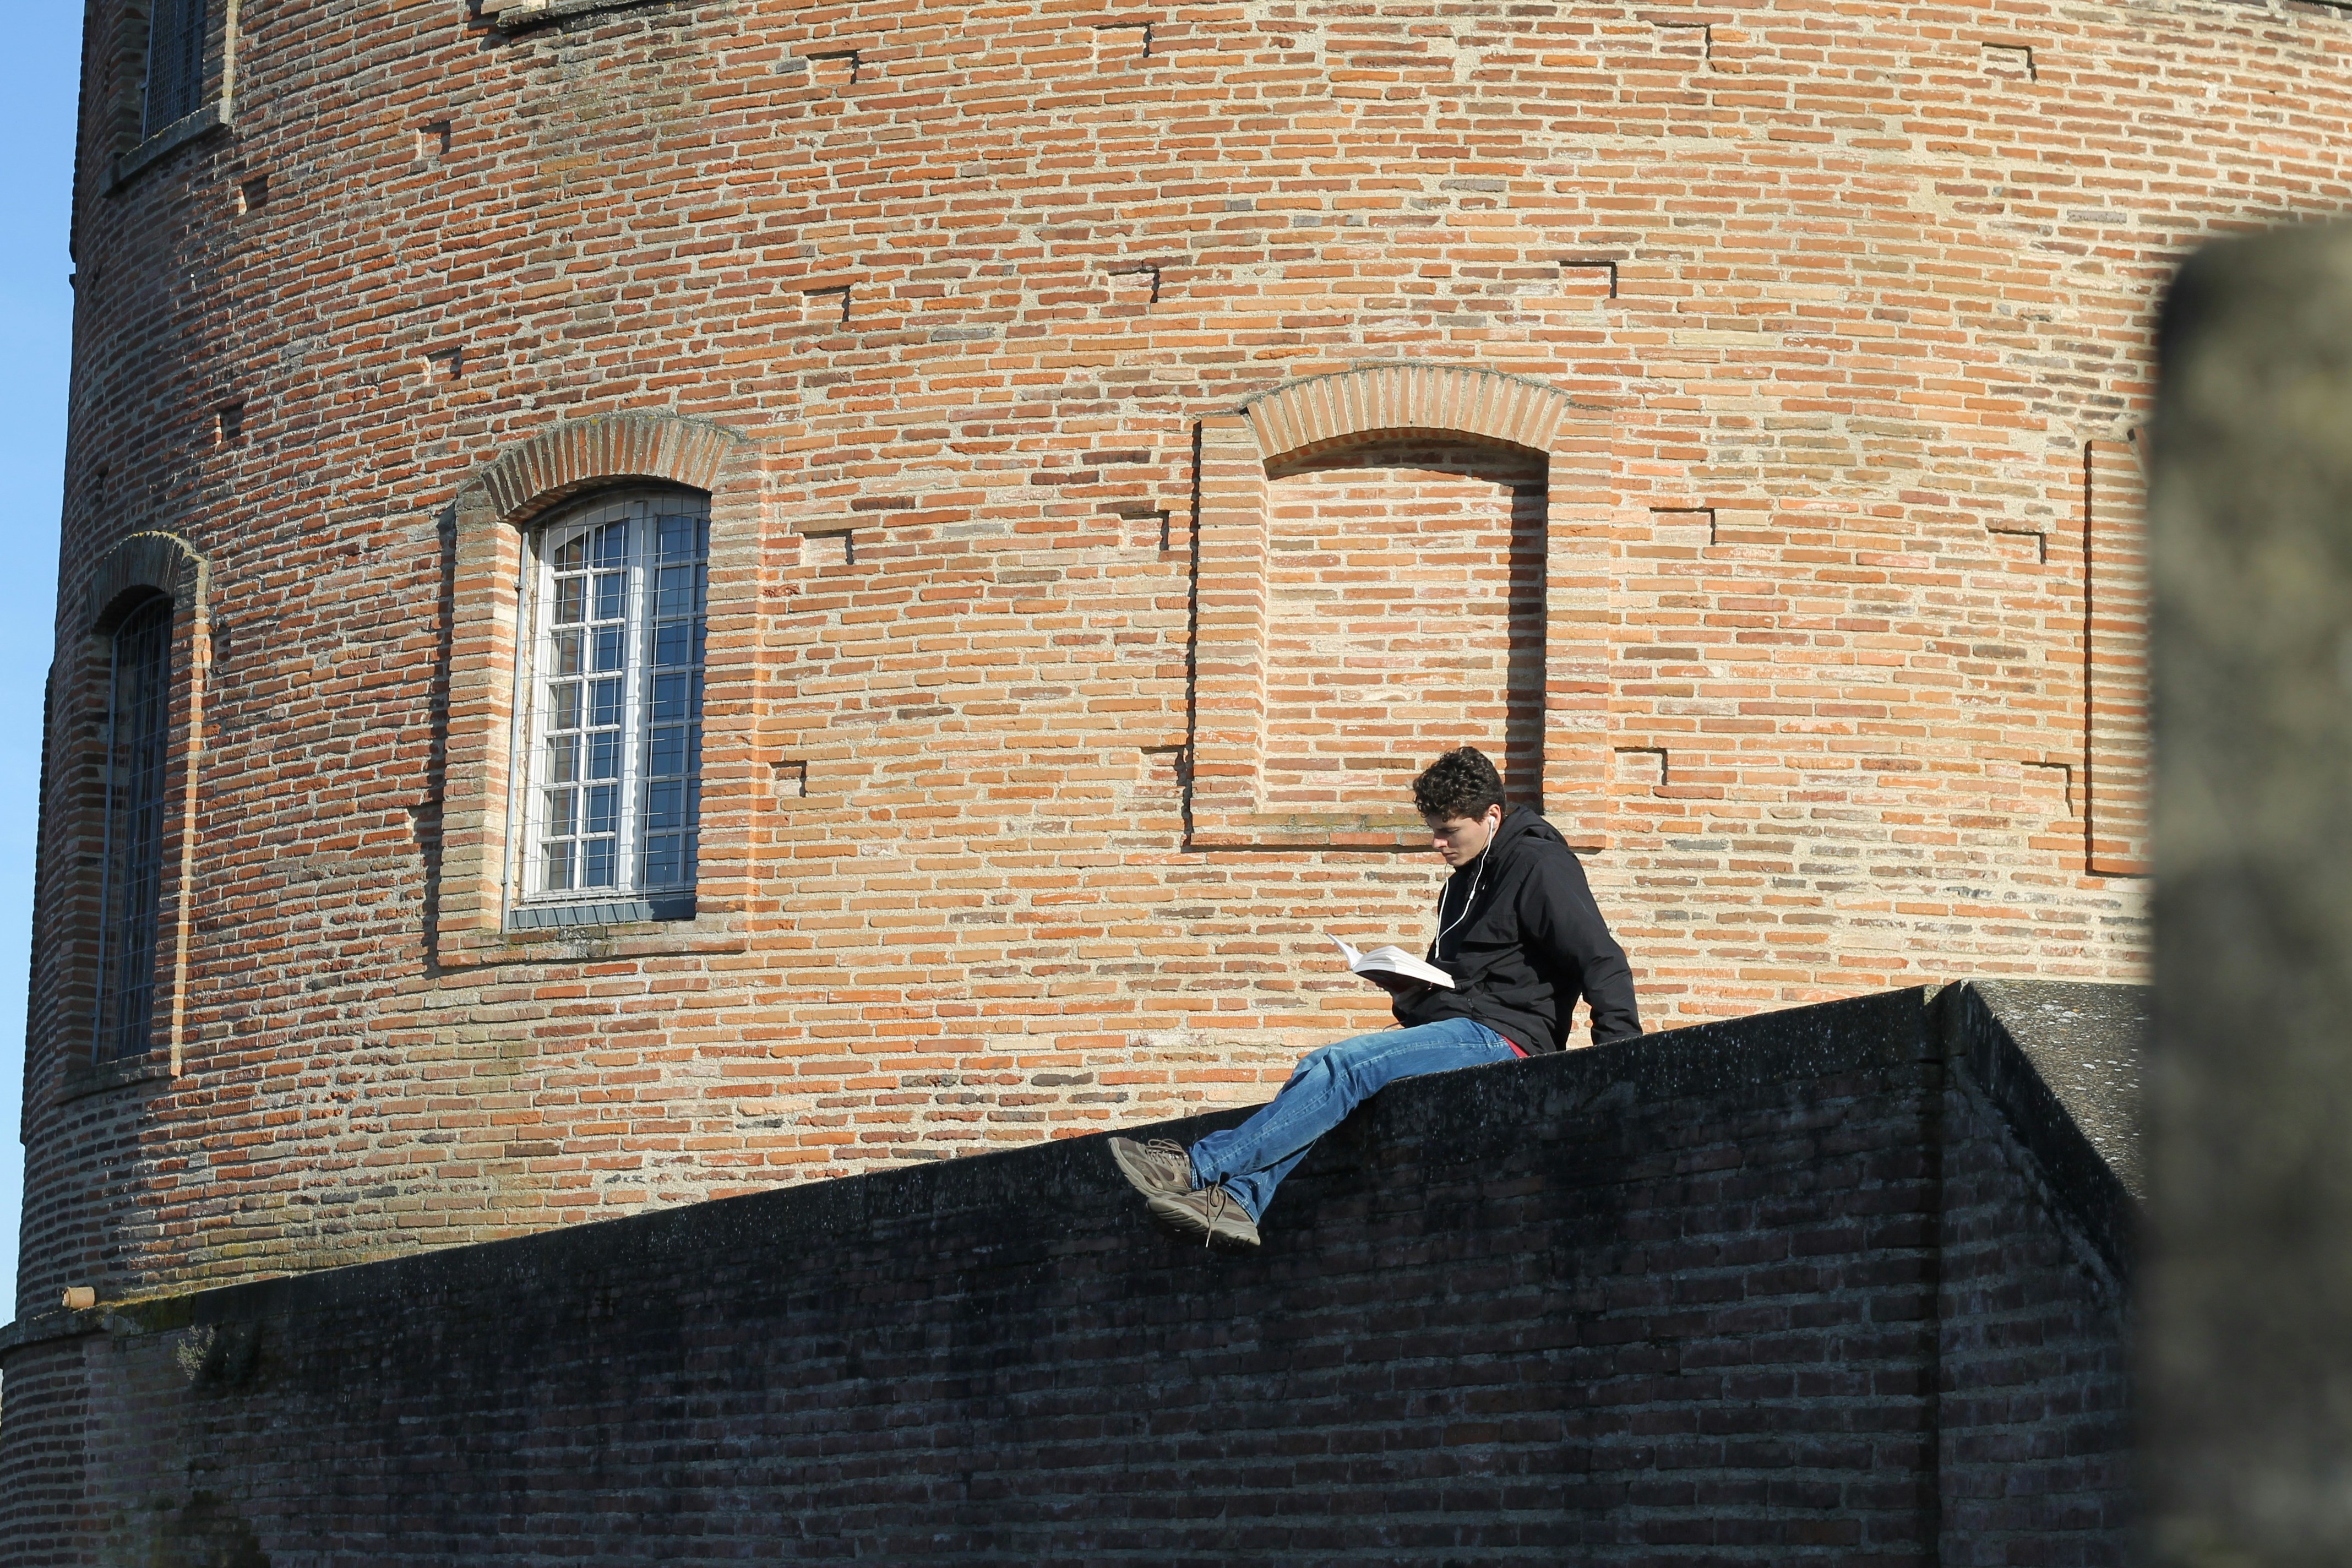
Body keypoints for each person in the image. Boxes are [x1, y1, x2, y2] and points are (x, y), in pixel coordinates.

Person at [1109, 745, 1642, 1248]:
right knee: (1319, 1067)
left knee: (1344, 1067)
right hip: (1467, 1027)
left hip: (1508, 1039)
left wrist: (1615, 1059)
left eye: (1449, 831)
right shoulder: (1461, 881)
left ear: (1493, 817)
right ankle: (1241, 1204)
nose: (1438, 843)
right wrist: (1411, 988)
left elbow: (1601, 958)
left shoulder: (1538, 865)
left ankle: (1198, 1168)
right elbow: (1464, 983)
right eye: (1433, 831)